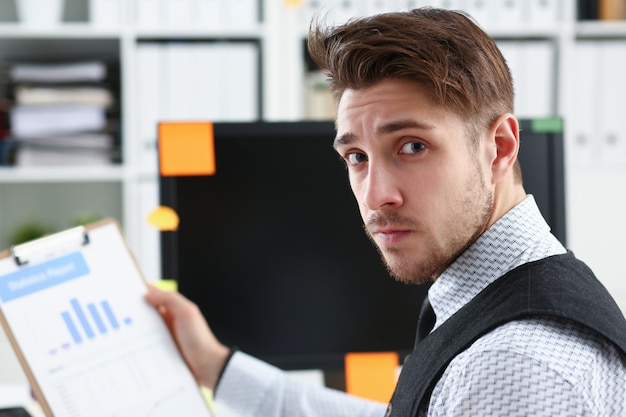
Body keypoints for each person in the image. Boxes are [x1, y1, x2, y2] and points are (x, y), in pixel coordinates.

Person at [146, 7, 626, 416]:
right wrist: (216, 366)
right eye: (357, 157)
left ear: (499, 147)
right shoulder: (496, 299)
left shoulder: (513, 367)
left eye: (412, 146)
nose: (376, 196)